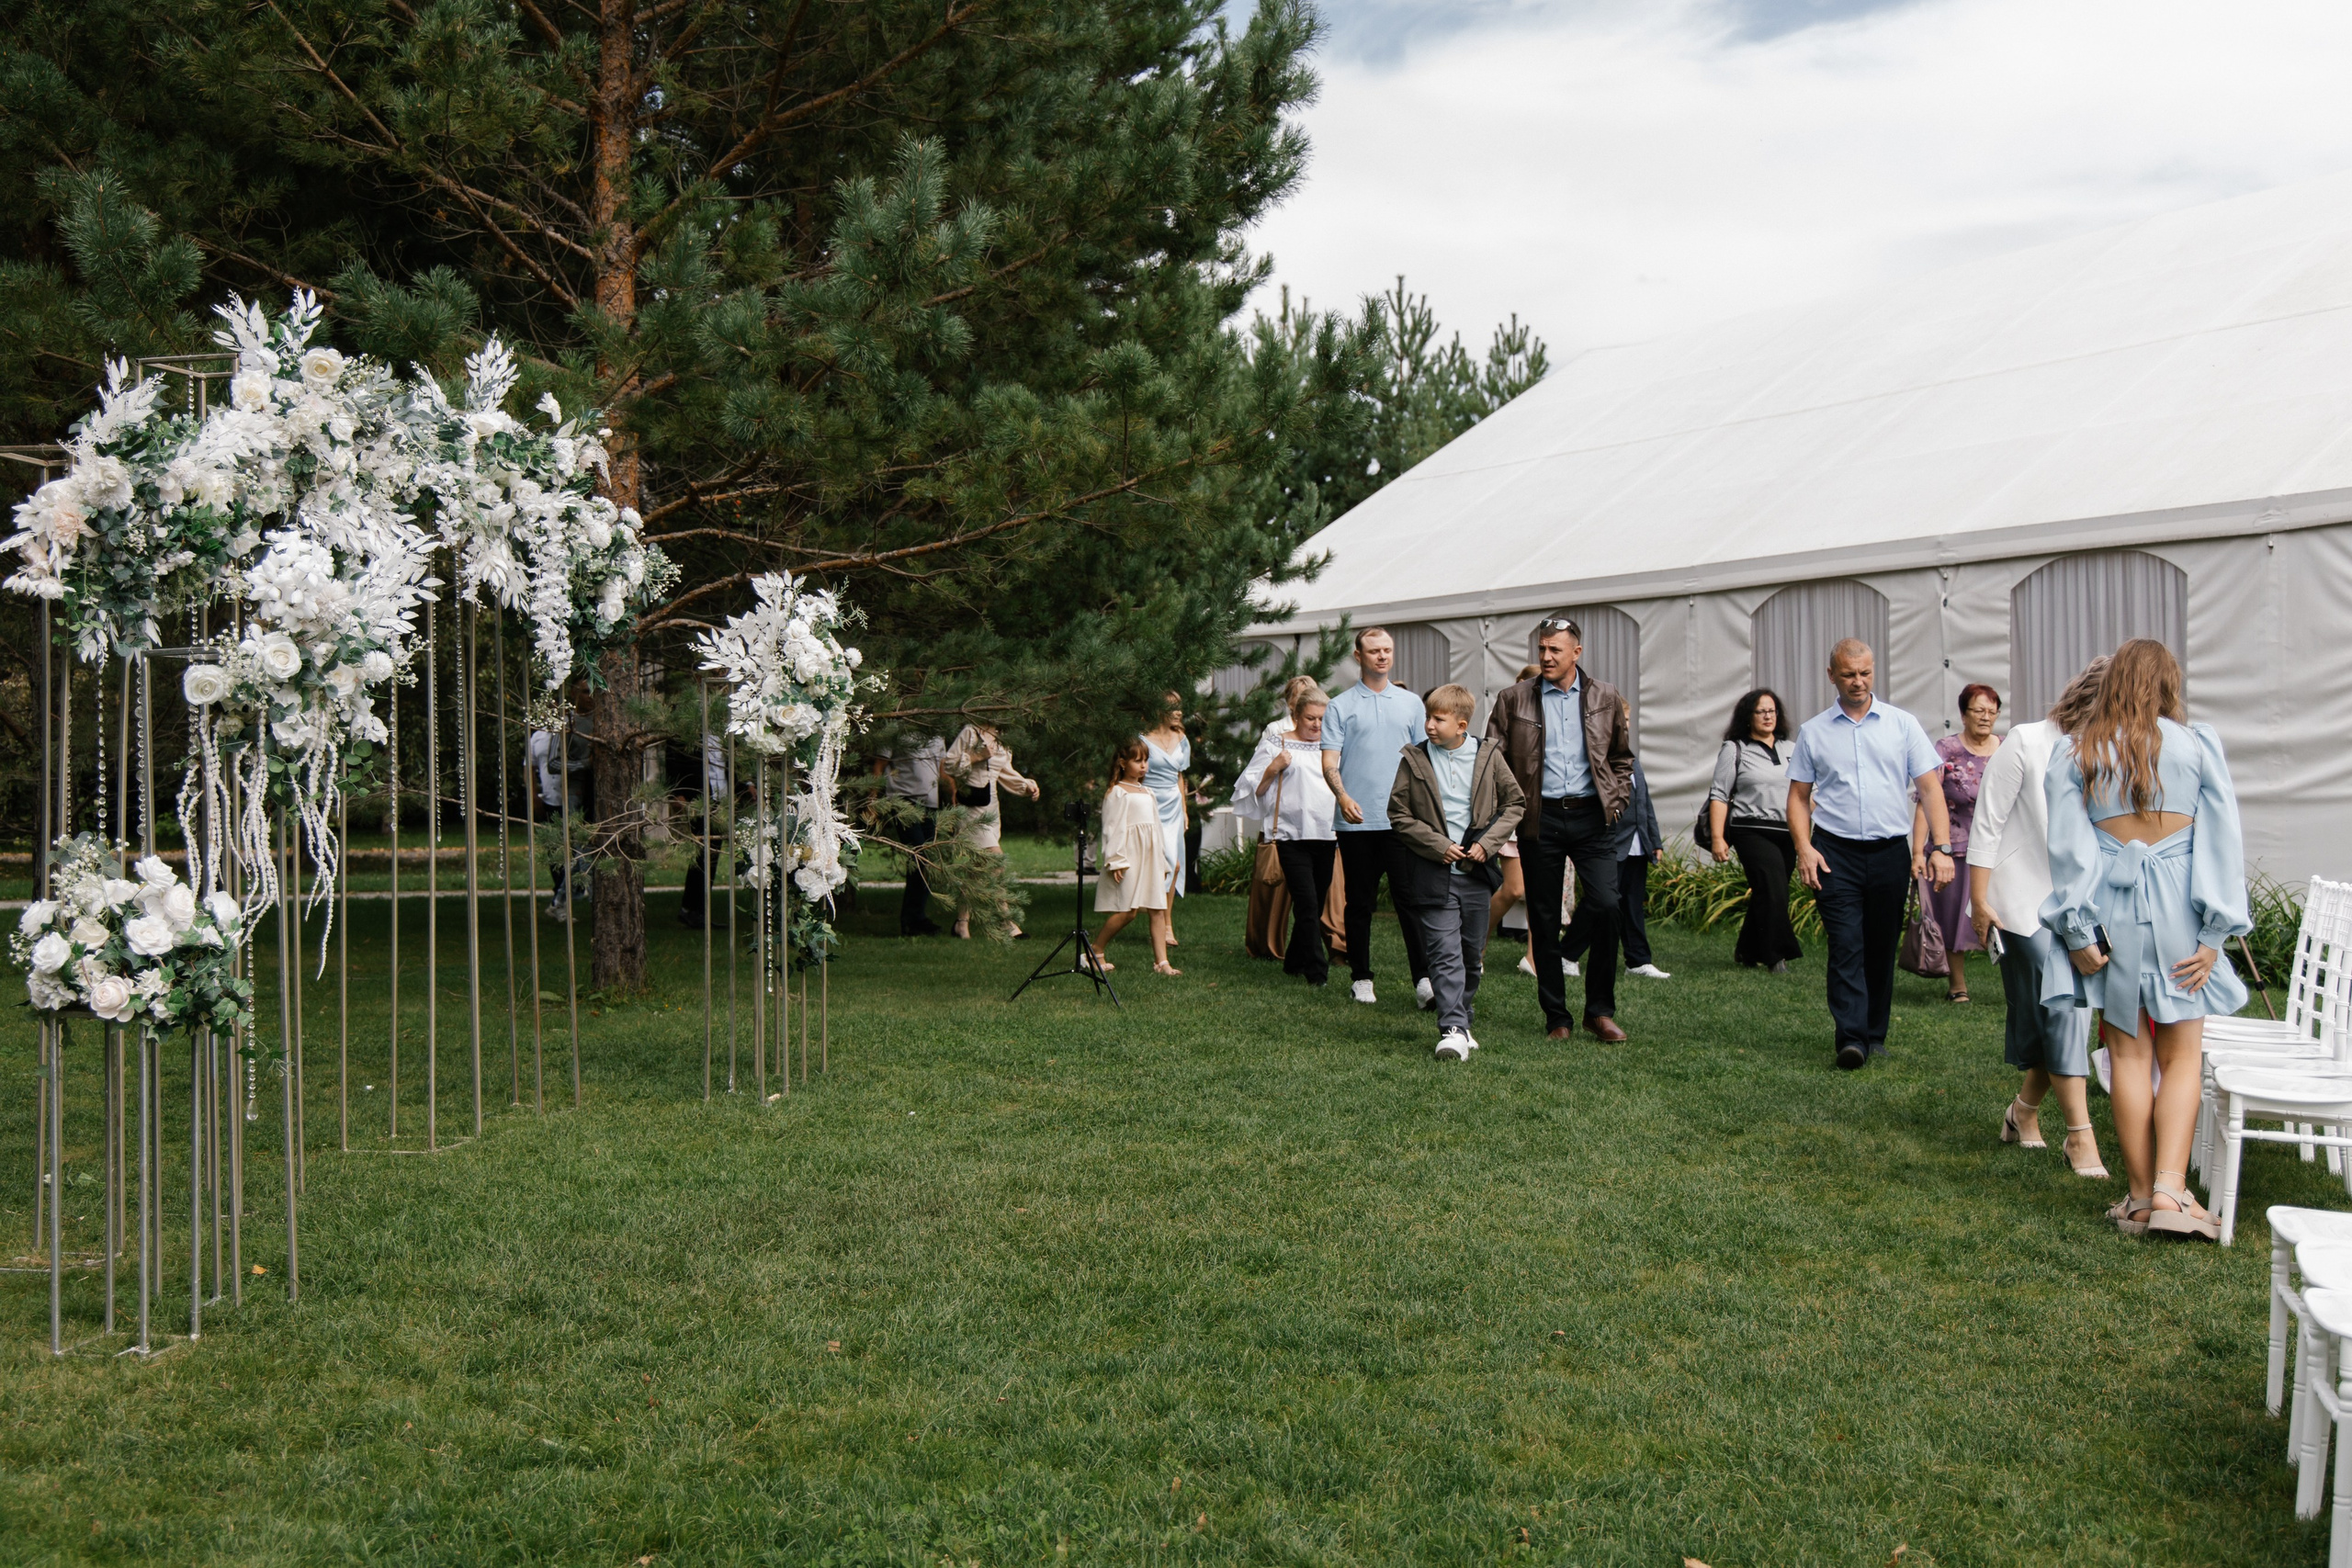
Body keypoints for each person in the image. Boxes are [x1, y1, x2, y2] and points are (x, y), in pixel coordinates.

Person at [2042, 638, 2249, 1240]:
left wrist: (2077, 928)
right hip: (2183, 909)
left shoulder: (2076, 749)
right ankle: (2169, 1189)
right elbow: (2222, 839)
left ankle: (2137, 1196)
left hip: (2114, 910)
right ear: (2168, 683)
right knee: (2182, 1053)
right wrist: (2215, 931)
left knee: (2127, 1052)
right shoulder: (2196, 743)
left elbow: (2067, 849)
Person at [1968, 658, 2109, 1179]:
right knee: (2065, 1006)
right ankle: (2081, 1137)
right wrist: (1980, 903)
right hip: (2018, 902)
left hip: (2077, 905)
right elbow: (1986, 825)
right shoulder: (2025, 741)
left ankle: (2022, 1112)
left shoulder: (2104, 752)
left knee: (2054, 1015)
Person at [1787, 638, 1953, 1071]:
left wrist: (1942, 847)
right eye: (1848, 674)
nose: (1858, 682)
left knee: (1880, 945)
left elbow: (1931, 787)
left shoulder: (1902, 724)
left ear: (1873, 672)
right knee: (1846, 944)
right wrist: (1804, 848)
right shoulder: (1814, 731)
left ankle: (1875, 1033)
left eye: (1865, 673)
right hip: (1834, 853)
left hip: (1888, 853)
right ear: (1832, 676)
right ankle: (1852, 1039)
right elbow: (1799, 796)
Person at [1484, 615, 1636, 1042]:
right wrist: (1507, 811)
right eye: (1542, 649)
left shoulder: (1605, 696)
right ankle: (1558, 1017)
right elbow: (1491, 760)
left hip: (1593, 818)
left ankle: (1600, 1011)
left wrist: (1617, 799)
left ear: (1577, 653)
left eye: (1555, 649)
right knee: (1545, 919)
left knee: (1607, 905)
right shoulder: (1513, 698)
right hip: (1540, 818)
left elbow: (1623, 757)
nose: (1547, 656)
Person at [1389, 683, 1525, 1060]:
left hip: (1477, 873)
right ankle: (1451, 1030)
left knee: (1469, 955)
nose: (1429, 725)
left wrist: (1488, 844)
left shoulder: (1489, 756)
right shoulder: (1414, 759)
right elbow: (1398, 813)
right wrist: (1437, 845)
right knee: (1444, 953)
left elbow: (1515, 803)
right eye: (1428, 717)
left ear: (1461, 724)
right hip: (1433, 873)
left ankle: (1462, 1018)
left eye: (1438, 719)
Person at [1322, 628, 1434, 1009]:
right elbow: (1329, 761)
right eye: (1373, 651)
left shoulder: (1411, 703)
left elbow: (1425, 761)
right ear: (1358, 656)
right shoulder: (1339, 706)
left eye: (1387, 650)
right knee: (1360, 903)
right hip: (1357, 822)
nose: (1382, 657)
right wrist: (1342, 796)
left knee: (1410, 901)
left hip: (1403, 822)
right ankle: (1361, 977)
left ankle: (1423, 981)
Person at [1235, 684, 1340, 986]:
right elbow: (1251, 787)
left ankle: (1293, 961)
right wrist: (1273, 768)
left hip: (1326, 834)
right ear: (1295, 716)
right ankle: (1317, 972)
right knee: (1306, 902)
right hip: (1291, 835)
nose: (1317, 725)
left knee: (1315, 903)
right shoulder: (1276, 744)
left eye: (1322, 719)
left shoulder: (1332, 747)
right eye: (1310, 718)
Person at [1562, 698, 1668, 980]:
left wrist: (1654, 841)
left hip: (1636, 845)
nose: (1626, 725)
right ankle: (1567, 954)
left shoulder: (1632, 758)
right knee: (1599, 902)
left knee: (1632, 903)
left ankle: (1637, 960)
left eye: (1629, 720)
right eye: (1621, 720)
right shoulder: (1594, 759)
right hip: (1609, 844)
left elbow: (1644, 804)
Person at [1914, 684, 2002, 1001]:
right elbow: (1927, 799)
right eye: (1979, 711)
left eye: (1992, 712)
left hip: (1997, 850)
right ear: (1964, 714)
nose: (1985, 717)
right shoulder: (1946, 749)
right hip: (1954, 848)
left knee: (2007, 915)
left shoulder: (2005, 749)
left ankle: (2014, 983)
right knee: (1952, 917)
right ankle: (1957, 986)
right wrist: (1918, 852)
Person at [1707, 689, 1801, 972]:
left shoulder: (1792, 749)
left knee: (1769, 891)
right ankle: (1776, 956)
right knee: (1773, 891)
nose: (1768, 716)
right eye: (1761, 711)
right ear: (1748, 717)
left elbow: (1807, 793)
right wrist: (1717, 838)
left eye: (1772, 711)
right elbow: (1719, 795)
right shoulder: (1734, 749)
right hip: (1751, 829)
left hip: (1787, 832)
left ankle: (1746, 950)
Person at [1091, 737, 1177, 976]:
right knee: (1127, 911)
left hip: (1149, 857)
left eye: (1146, 761)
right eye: (1137, 760)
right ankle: (1096, 950)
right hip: (1129, 856)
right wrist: (1116, 859)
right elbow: (1112, 828)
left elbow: (1155, 829)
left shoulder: (1147, 791)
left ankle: (1162, 963)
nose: (1143, 766)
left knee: (1157, 909)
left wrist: (1160, 860)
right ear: (1122, 762)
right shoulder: (1116, 793)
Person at [946, 722, 1041, 940]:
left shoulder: (1002, 739)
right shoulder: (971, 732)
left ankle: (961, 924)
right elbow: (949, 765)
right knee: (995, 862)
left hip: (991, 809)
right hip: (970, 809)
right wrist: (974, 756)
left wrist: (1027, 786)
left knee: (975, 872)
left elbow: (1005, 772)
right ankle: (1006, 921)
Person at [1489, 664, 1541, 977]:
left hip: (1544, 816)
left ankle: (1534, 960)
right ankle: (1475, 942)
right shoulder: (1506, 712)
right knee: (1514, 889)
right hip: (1513, 815)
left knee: (1540, 893)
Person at [879, 733, 947, 935]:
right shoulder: (896, 728)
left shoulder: (936, 732)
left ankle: (917, 917)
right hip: (903, 800)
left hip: (931, 804)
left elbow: (941, 771)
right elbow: (879, 765)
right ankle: (911, 920)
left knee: (927, 860)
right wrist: (873, 799)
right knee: (920, 857)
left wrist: (953, 793)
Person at [1140, 694, 1192, 946]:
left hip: (1173, 807)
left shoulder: (1182, 739)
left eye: (1179, 707)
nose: (1179, 711)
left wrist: (1184, 809)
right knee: (1159, 865)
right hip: (1149, 804)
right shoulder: (1142, 739)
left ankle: (1167, 924)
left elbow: (1180, 776)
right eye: (1173, 707)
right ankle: (1154, 920)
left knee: (1175, 866)